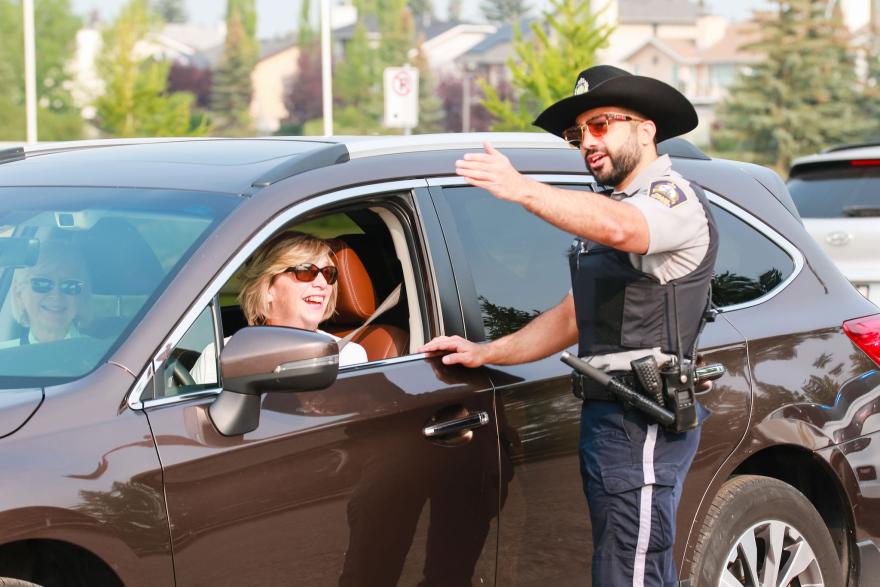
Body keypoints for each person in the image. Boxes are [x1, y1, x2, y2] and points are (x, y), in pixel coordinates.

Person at [419, 65, 717, 586]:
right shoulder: (612, 208)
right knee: (629, 565)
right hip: (612, 417)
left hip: (644, 416)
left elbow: (626, 228)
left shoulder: (671, 199)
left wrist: (523, 189)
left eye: (601, 125)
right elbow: (573, 316)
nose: (587, 143)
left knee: (631, 571)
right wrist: (485, 352)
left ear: (646, 130)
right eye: (578, 134)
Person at [191, 232, 367, 383]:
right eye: (306, 271)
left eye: (328, 274)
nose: (322, 283)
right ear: (267, 288)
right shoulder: (219, 355)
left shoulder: (349, 357)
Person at [1, 238, 91, 347]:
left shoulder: (102, 354)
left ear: (81, 297)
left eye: (70, 285)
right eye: (41, 283)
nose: (56, 295)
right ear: (19, 293)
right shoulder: (4, 356)